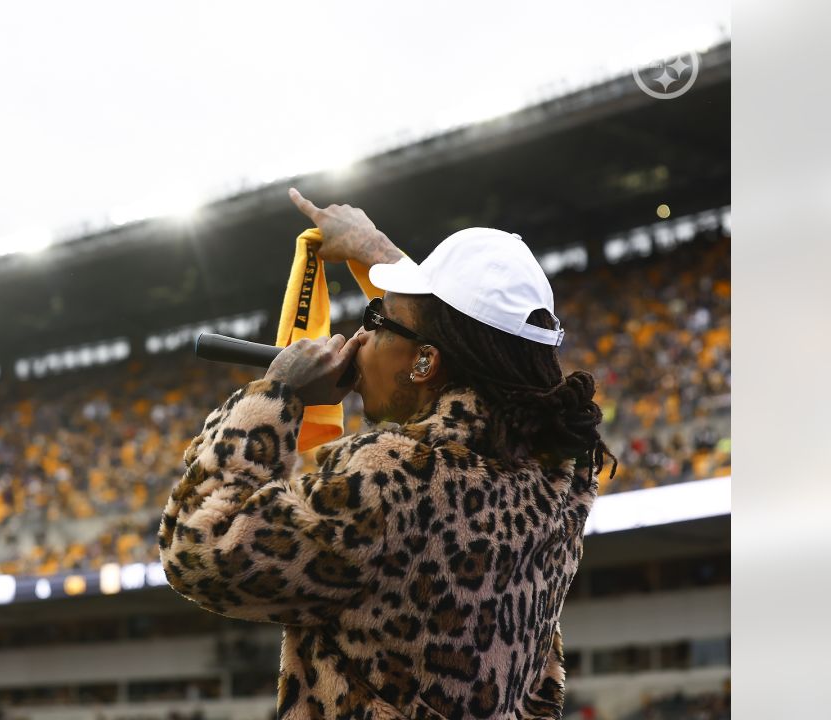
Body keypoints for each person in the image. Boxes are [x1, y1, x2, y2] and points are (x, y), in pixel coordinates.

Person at [158, 189, 614, 720]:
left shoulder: (393, 478)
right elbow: (459, 329)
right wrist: (376, 251)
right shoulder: (560, 474)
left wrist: (273, 396)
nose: (356, 337)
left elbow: (200, 550)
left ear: (425, 363)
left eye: (376, 319)